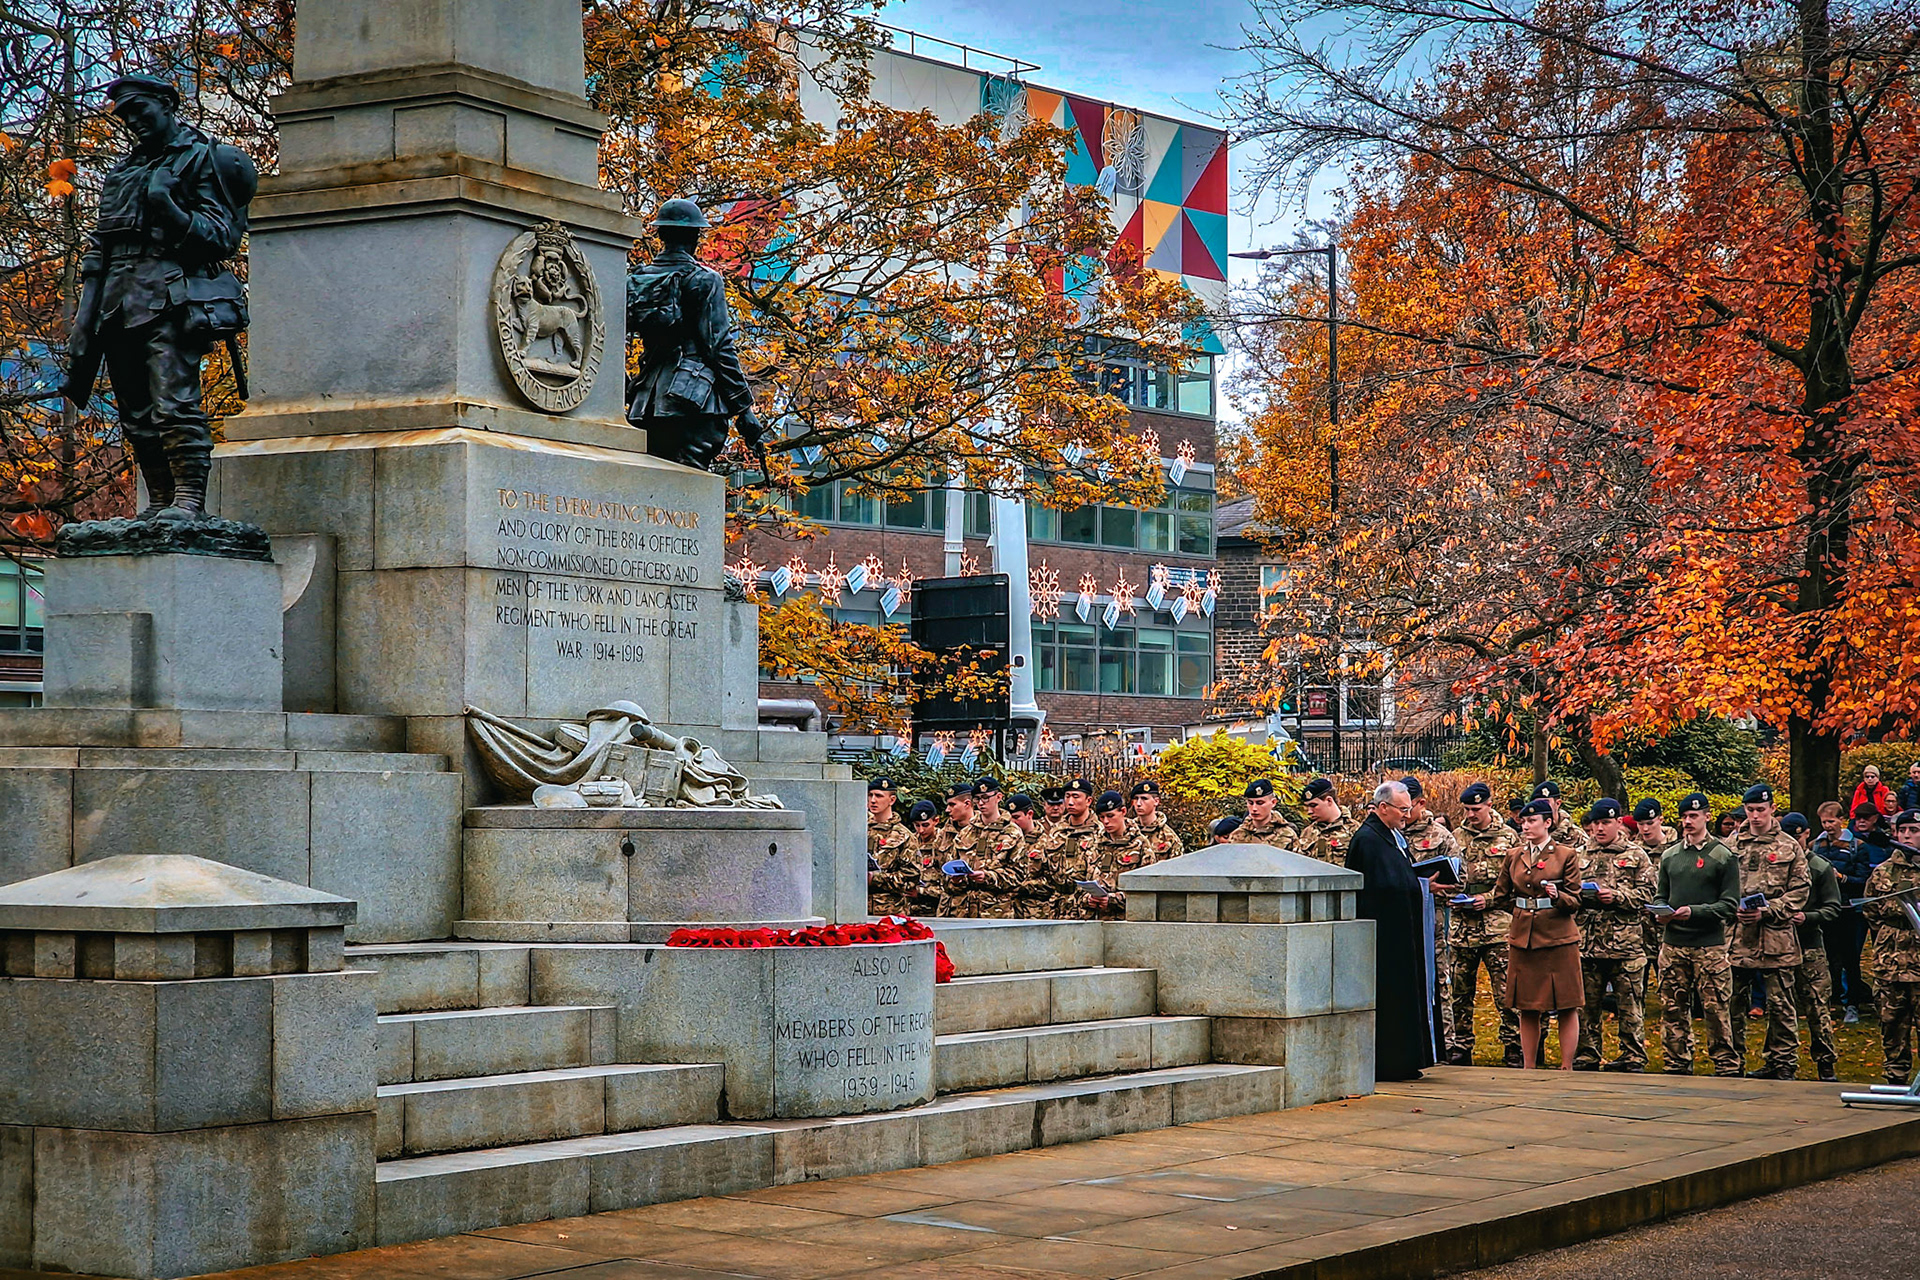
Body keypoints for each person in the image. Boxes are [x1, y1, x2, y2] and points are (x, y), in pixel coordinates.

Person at [60, 74, 254, 521]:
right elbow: (99, 250)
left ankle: (189, 501)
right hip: (115, 301)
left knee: (174, 405)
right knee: (136, 415)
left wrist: (168, 206)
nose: (133, 121)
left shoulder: (205, 159)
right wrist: (84, 321)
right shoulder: (122, 171)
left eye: (139, 110)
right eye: (125, 115)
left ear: (167, 104)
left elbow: (222, 238)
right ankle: (161, 502)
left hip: (170, 297)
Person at [624, 199, 765, 471]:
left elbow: (606, 339)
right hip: (694, 402)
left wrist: (627, 388)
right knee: (689, 482)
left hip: (646, 404)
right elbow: (718, 346)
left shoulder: (635, 280)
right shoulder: (705, 279)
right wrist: (743, 408)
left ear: (660, 234)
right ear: (695, 236)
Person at [1344, 780, 1435, 1080]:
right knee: (1390, 997)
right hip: (1385, 936)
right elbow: (1375, 887)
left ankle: (1407, 1059)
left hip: (1402, 931)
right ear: (1383, 807)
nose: (1407, 815)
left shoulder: (1393, 837)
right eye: (1402, 809)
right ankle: (1390, 1062)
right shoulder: (1368, 840)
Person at [1652, 793, 1743, 1076]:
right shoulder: (1670, 856)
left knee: (1716, 1009)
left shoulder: (1722, 855)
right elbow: (1661, 894)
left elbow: (1730, 904)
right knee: (1673, 1007)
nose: (1688, 821)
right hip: (1673, 944)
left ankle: (1726, 1064)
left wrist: (1695, 912)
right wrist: (1660, 911)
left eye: (1693, 816)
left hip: (1709, 946)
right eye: (1684, 817)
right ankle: (1676, 1061)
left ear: (1707, 816)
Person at [1492, 799, 1586, 1070]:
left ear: (1547, 823)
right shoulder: (1514, 855)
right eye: (1523, 821)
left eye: (1532, 821)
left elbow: (1575, 901)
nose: (1526, 826)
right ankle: (1529, 1066)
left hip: (1558, 938)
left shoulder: (1565, 855)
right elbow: (1501, 896)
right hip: (1525, 940)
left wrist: (1558, 897)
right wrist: (1523, 912)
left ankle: (1566, 1066)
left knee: (1566, 1004)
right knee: (1527, 1005)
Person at [1726, 784, 1811, 1079]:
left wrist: (1770, 909)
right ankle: (1731, 1062)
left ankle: (1782, 1063)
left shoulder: (1789, 846)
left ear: (1773, 809)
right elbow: (1716, 885)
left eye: (1761, 810)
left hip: (1776, 937)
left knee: (1781, 1005)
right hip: (1738, 936)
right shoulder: (1731, 845)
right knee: (1732, 1003)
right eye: (1750, 810)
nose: (1755, 816)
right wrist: (1730, 907)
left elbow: (1800, 890)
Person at [1573, 799, 1658, 1072]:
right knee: (1586, 1006)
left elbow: (1649, 894)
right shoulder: (1579, 855)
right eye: (1596, 823)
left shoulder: (1636, 855)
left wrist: (1618, 896)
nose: (1599, 828)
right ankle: (1587, 1054)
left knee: (1629, 1004)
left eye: (1606, 823)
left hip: (1625, 944)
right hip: (1588, 943)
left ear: (1619, 823)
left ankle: (1633, 1056)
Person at [1447, 782, 1521, 1067]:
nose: (1471, 814)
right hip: (1462, 928)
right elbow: (1449, 874)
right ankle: (1461, 1045)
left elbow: (1518, 883)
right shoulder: (1456, 837)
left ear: (1490, 805)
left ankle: (1513, 1046)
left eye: (1476, 809)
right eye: (1467, 809)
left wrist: (1487, 900)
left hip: (1496, 927)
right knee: (1460, 992)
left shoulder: (1509, 837)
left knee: (1505, 992)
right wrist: (1453, 895)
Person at [1864, 810, 1920, 1085]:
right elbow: (1872, 911)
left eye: (1914, 830)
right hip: (1891, 963)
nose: (1907, 835)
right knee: (1892, 1024)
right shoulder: (1883, 871)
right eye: (1903, 830)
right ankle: (1895, 1079)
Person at [1793, 837, 1844, 1082]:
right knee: (1780, 1008)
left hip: (1809, 945)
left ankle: (1826, 1062)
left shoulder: (1819, 866)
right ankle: (1780, 1062)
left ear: (1806, 834)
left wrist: (1809, 917)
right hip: (1776, 945)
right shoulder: (1774, 864)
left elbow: (1833, 907)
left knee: (1817, 1005)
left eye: (1797, 834)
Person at [1820, 801, 1873, 1019]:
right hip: (1826, 910)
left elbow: (1864, 881)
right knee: (1828, 958)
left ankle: (1853, 1003)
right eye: (1824, 822)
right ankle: (1832, 1000)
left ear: (1841, 820)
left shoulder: (1857, 846)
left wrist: (1842, 877)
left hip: (1849, 910)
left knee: (1850, 960)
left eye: (1831, 821)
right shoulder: (1818, 845)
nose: (1827, 826)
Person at [1034, 778, 1103, 919]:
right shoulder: (1056, 831)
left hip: (1085, 909)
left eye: (1076, 797)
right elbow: (1043, 868)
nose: (1070, 802)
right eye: (1067, 796)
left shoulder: (1100, 832)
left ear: (1088, 801)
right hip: (1056, 907)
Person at [1088, 791, 1145, 918]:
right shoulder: (1096, 844)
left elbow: (1145, 891)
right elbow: (1083, 881)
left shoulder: (1140, 845)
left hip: (1125, 920)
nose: (1106, 821)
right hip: (1096, 920)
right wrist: (1088, 898)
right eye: (1101, 817)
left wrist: (1113, 900)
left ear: (1123, 811)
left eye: (1110, 816)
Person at [866, 777, 914, 917]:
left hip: (891, 912)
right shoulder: (858, 830)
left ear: (892, 800)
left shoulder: (904, 835)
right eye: (870, 795)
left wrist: (874, 879)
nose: (873, 800)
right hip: (858, 908)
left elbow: (910, 878)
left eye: (879, 796)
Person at [1296, 777, 1356, 864]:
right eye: (1307, 806)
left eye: (1313, 805)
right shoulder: (1307, 833)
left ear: (1329, 801)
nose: (1309, 811)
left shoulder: (1354, 830)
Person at [1128, 780, 1186, 864]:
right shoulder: (1128, 833)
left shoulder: (1169, 837)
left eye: (1144, 798)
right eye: (1136, 799)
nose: (1139, 803)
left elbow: (1177, 868)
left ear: (1156, 801)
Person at [1238, 778, 1299, 847]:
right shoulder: (1238, 835)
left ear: (1273, 802)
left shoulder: (1287, 835)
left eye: (1260, 803)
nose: (1254, 808)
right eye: (1250, 803)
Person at [1532, 781, 1589, 851]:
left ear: (1558, 803)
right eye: (1537, 803)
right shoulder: (1528, 835)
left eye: (1545, 802)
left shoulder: (1577, 836)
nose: (1541, 807)